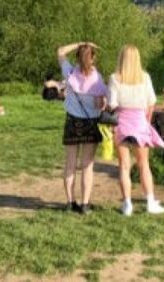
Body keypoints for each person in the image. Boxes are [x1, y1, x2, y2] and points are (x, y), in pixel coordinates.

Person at [108, 44, 164, 216]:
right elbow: (151, 102)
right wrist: (146, 121)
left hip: (121, 123)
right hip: (140, 122)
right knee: (144, 165)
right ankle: (150, 201)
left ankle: (127, 204)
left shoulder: (114, 78)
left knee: (124, 166)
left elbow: (112, 104)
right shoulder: (145, 77)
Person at [57, 42, 108, 214]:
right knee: (87, 166)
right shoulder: (97, 78)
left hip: (72, 121)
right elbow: (100, 104)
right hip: (90, 123)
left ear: (77, 57)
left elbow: (60, 51)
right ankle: (85, 204)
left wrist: (81, 43)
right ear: (93, 58)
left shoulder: (70, 72)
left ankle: (70, 202)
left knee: (70, 164)